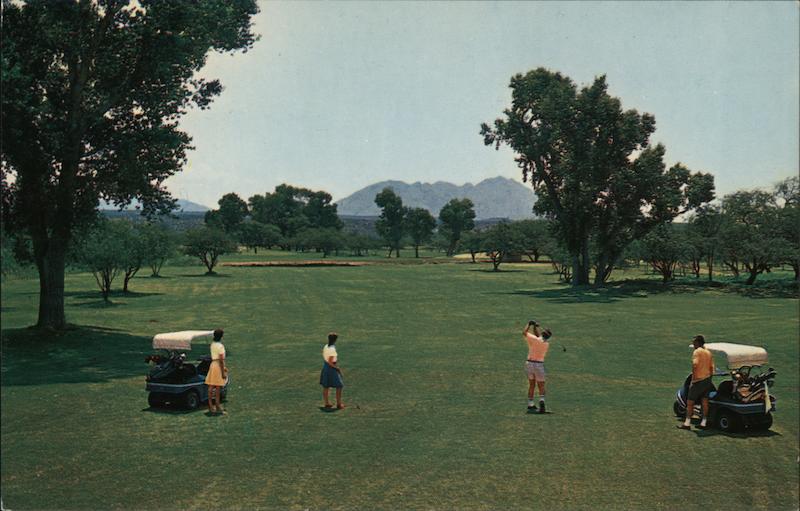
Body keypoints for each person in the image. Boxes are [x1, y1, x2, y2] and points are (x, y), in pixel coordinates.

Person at [678, 334, 715, 430]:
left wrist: (693, 379)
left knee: (690, 402)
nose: (693, 344)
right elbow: (712, 368)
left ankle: (687, 423)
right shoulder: (708, 353)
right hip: (707, 380)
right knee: (705, 401)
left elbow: (695, 365)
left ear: (698, 343)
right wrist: (709, 379)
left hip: (698, 380)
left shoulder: (697, 352)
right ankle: (703, 423)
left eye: (694, 342)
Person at [523, 320, 552, 413]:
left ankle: (530, 404)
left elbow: (524, 333)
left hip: (529, 364)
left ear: (542, 333)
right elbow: (538, 337)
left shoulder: (534, 340)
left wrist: (529, 324)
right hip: (539, 365)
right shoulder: (546, 344)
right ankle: (542, 400)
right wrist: (535, 327)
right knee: (541, 385)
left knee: (532, 384)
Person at [204, 329, 228, 415]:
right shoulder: (220, 346)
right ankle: (216, 405)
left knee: (212, 386)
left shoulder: (213, 344)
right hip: (217, 365)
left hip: (213, 364)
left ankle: (212, 405)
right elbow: (221, 360)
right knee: (217, 387)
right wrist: (223, 372)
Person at [320, 332, 345, 409]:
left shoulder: (326, 346)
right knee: (339, 385)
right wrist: (337, 368)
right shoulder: (332, 349)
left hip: (325, 366)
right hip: (331, 367)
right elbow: (331, 361)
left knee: (326, 386)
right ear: (335, 340)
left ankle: (327, 403)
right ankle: (339, 404)